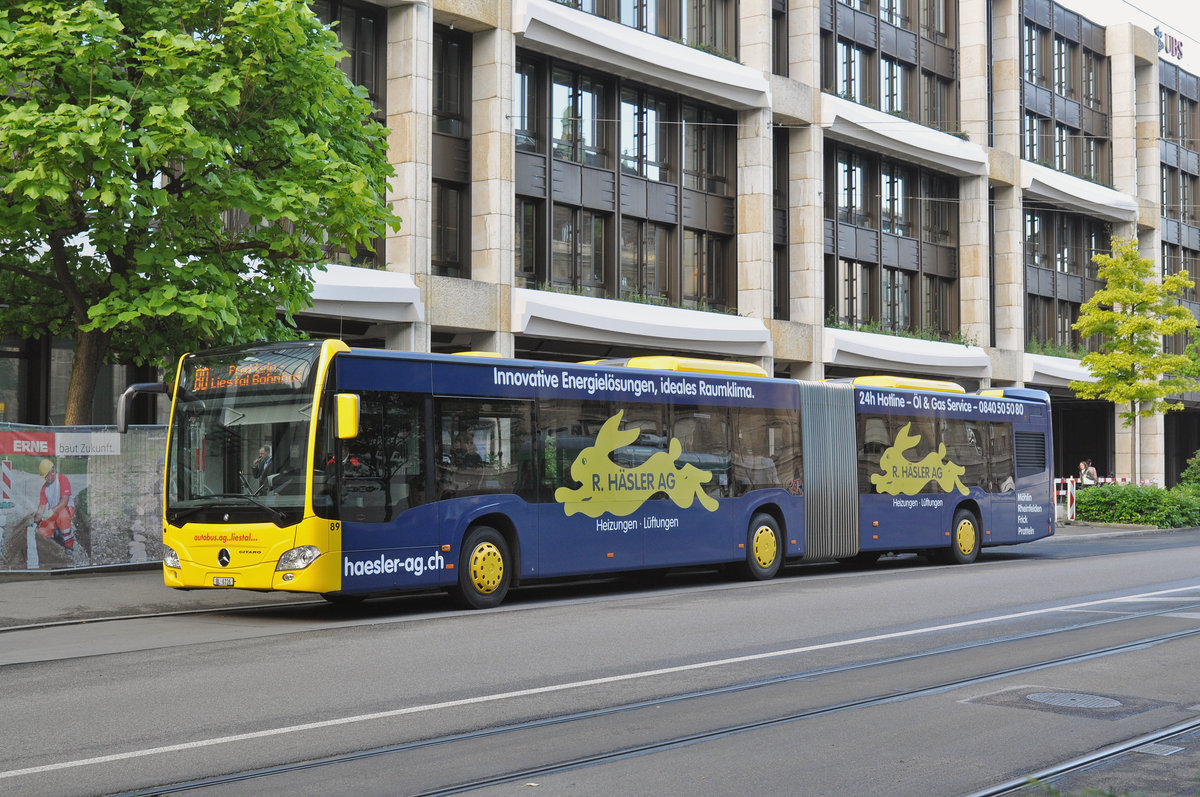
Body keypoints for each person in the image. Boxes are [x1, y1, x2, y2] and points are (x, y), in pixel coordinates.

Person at [34, 458, 75, 551]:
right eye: (44, 476)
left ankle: (69, 545)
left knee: (62, 517)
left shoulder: (62, 479)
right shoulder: (44, 488)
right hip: (54, 511)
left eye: (46, 476)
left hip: (66, 508)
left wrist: (51, 512)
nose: (46, 478)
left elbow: (64, 502)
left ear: (52, 472)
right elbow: (41, 507)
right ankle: (57, 532)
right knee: (42, 532)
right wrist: (36, 520)